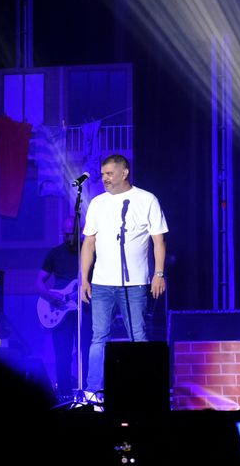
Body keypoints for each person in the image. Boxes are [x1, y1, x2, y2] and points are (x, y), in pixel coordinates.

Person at [79, 154, 168, 401]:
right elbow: (89, 243)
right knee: (99, 337)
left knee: (137, 336)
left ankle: (143, 392)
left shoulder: (146, 200)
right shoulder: (97, 203)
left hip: (135, 283)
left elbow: (158, 240)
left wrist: (159, 273)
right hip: (101, 283)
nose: (104, 178)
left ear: (124, 172)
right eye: (103, 174)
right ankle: (93, 393)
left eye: (109, 173)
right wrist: (84, 279)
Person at [38, 215, 84, 397]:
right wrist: (50, 296)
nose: (68, 237)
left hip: (83, 310)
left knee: (86, 351)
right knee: (62, 354)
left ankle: (88, 392)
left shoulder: (88, 252)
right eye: (64, 234)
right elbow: (38, 283)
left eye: (71, 233)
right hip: (59, 311)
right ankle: (64, 396)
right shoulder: (54, 254)